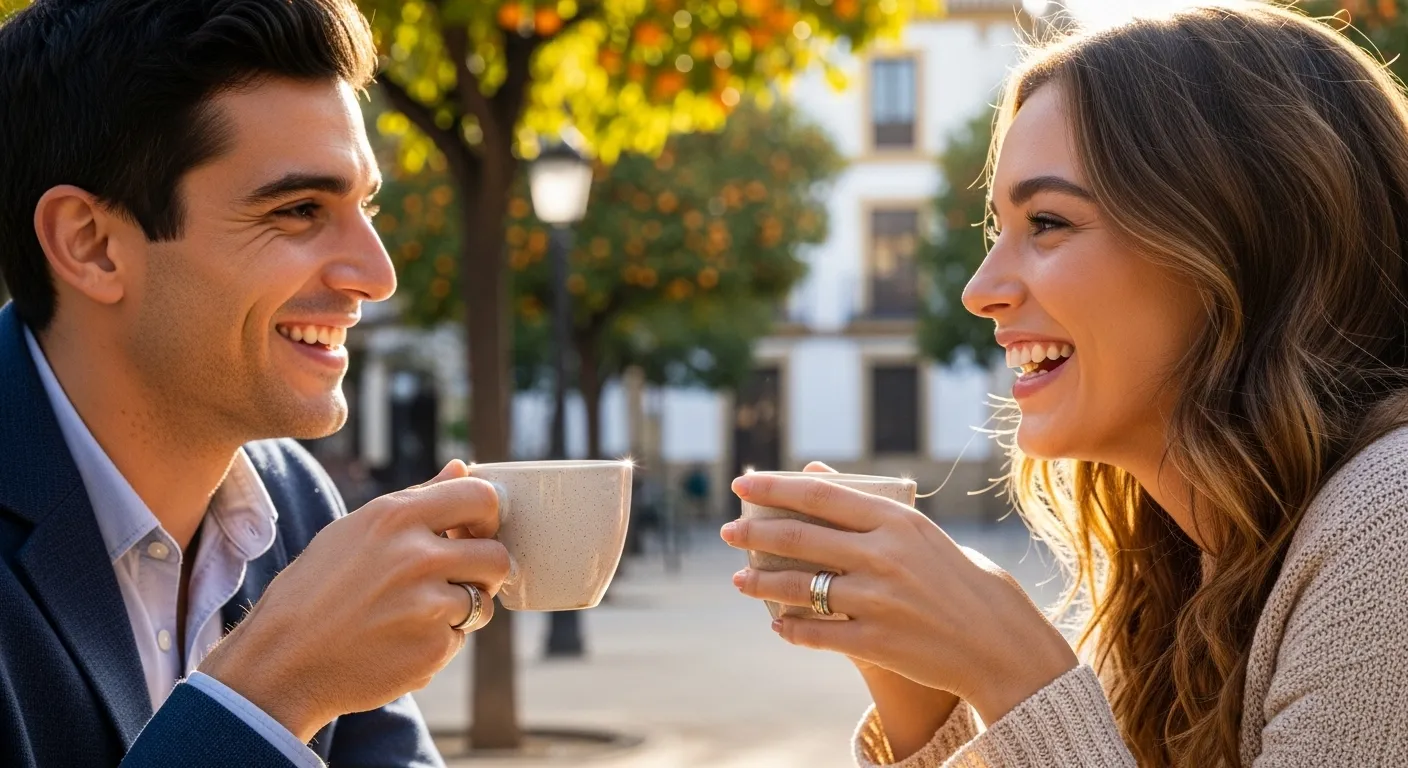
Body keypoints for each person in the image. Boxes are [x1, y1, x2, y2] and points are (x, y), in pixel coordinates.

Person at [721, 4, 1408, 766]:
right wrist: (929, 709)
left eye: (1047, 221)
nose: (979, 290)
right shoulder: (1168, 580)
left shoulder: (1391, 523)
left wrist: (1015, 672)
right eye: (997, 231)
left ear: (1240, 239)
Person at [0, 1, 511, 766]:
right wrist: (270, 692)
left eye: (364, 206)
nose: (376, 276)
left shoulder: (295, 504)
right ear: (93, 245)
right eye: (300, 210)